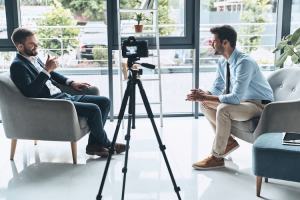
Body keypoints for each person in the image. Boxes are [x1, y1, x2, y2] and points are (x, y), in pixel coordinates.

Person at [10, 27, 125, 157]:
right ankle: (107, 143)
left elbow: (52, 74)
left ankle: (94, 145)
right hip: (54, 103)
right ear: (20, 47)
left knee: (104, 102)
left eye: (36, 42)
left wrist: (71, 82)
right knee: (94, 109)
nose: (36, 45)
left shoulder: (33, 58)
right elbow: (30, 92)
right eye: (32, 43)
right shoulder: (18, 66)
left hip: (63, 96)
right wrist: (46, 70)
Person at [186, 25, 274, 170]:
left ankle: (217, 157)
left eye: (214, 41)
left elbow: (235, 98)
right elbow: (217, 87)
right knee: (205, 104)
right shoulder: (223, 61)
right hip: (243, 102)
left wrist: (204, 97)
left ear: (225, 42)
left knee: (223, 109)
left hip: (259, 104)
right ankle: (228, 142)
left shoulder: (244, 63)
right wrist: (204, 95)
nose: (211, 44)